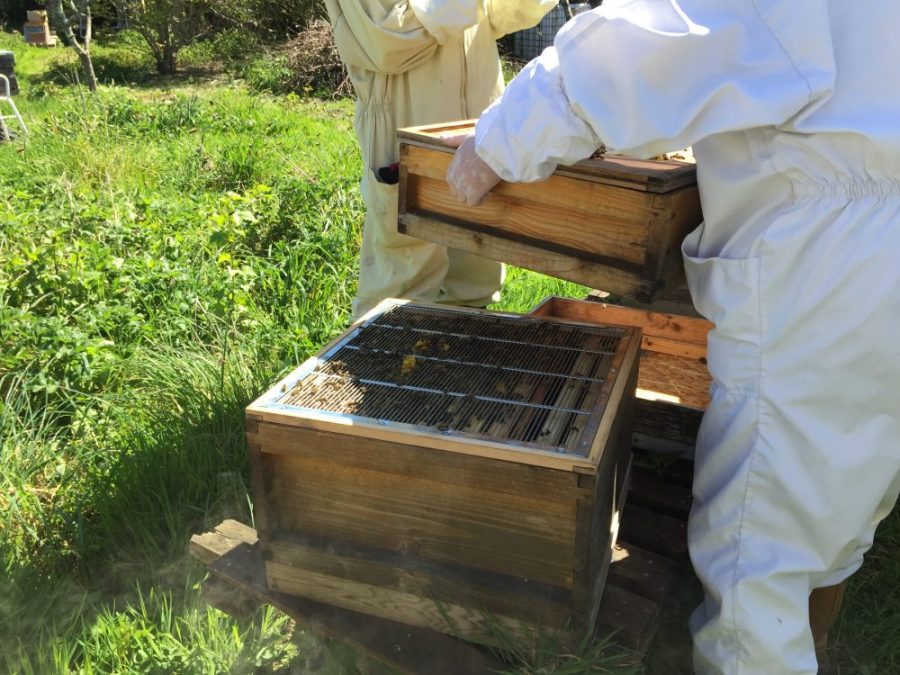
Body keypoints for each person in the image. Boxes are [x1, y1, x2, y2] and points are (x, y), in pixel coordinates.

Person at [445, 1, 900, 673]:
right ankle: (820, 641)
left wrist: (504, 136)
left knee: (760, 546)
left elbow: (666, 38)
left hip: (829, 259)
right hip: (869, 224)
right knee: (850, 468)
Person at [323, 0, 557, 318]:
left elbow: (505, 13)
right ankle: (382, 358)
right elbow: (387, 39)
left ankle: (462, 347)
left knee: (474, 262)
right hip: (406, 122)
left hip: (477, 121)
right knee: (403, 276)